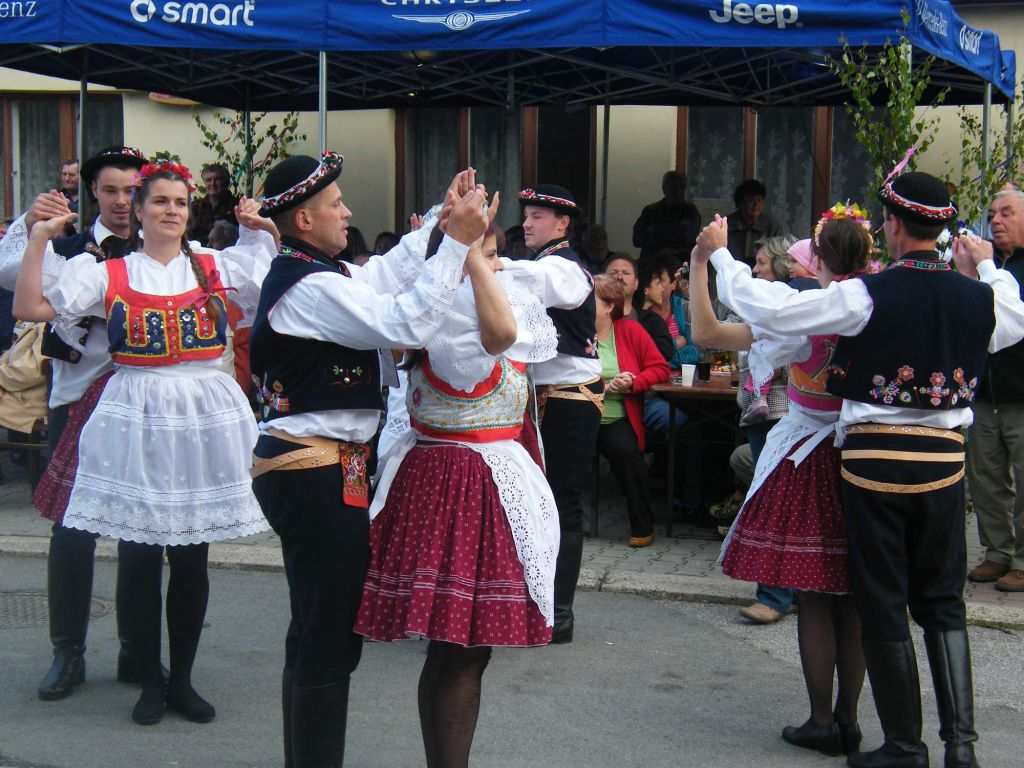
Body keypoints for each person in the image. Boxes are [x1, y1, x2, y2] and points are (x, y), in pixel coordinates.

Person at [698, 171, 1024, 768]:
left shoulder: (866, 295)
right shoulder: (979, 296)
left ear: (893, 226)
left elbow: (771, 307)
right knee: (943, 603)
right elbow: (1013, 319)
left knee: (883, 599)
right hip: (945, 463)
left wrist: (721, 257)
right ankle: (961, 748)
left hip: (874, 460)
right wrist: (985, 264)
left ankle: (904, 745)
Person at [13, 160, 279, 726]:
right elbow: (30, 307)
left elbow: (276, 288)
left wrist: (265, 230)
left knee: (191, 556)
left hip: (201, 417)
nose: (171, 211)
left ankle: (181, 680)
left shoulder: (215, 264)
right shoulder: (108, 271)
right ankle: (149, 682)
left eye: (180, 202)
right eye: (159, 201)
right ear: (138, 210)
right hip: (137, 413)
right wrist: (38, 238)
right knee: (138, 551)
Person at [249, 156, 490, 767]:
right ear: (304, 220)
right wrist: (456, 244)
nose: (347, 212)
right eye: (335, 204)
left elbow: (383, 272)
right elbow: (404, 321)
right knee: (328, 636)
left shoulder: (320, 273)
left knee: (316, 628)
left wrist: (439, 221)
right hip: (313, 467)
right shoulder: (308, 285)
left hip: (327, 463)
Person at [355, 198, 560, 768]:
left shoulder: (471, 308)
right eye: (488, 256)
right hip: (457, 489)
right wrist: (464, 251)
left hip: (484, 484)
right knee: (459, 650)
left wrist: (469, 247)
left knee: (466, 651)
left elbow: (563, 291)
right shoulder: (450, 324)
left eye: (492, 256)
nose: (497, 268)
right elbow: (500, 334)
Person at [694, 204, 874, 757]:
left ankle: (822, 720)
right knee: (856, 599)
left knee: (817, 597)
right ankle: (848, 720)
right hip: (865, 456)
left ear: (817, 260)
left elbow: (710, 331)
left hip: (811, 459)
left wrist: (706, 259)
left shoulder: (803, 311)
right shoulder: (879, 304)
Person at [0, 146, 148, 701]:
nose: (122, 201)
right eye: (111, 190)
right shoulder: (65, 247)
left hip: (143, 405)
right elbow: (9, 274)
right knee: (71, 530)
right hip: (78, 401)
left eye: (131, 191)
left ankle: (137, 649)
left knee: (141, 529)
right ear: (92, 193)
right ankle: (68, 653)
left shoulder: (162, 250)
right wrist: (31, 222)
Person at [518, 184, 602, 644]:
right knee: (539, 501)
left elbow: (525, 281)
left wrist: (478, 261)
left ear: (562, 224)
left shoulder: (562, 267)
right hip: (548, 396)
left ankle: (560, 613)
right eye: (527, 215)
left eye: (537, 216)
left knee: (561, 500)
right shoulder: (544, 262)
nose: (527, 223)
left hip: (570, 397)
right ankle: (539, 602)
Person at [966, 188, 1024, 592]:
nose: (996, 221)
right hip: (984, 394)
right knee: (986, 478)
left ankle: (1023, 560)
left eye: (1007, 212)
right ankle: (997, 552)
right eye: (992, 214)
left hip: (1021, 394)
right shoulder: (982, 265)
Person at [592, 274, 670, 546]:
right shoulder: (575, 331)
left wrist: (633, 382)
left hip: (614, 418)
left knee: (627, 453)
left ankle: (642, 526)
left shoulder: (630, 330)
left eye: (589, 300)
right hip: (578, 416)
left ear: (608, 306)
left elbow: (660, 369)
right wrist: (604, 386)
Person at [603, 254, 673, 361]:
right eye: (613, 273)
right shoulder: (591, 317)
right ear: (602, 281)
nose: (620, 277)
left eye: (626, 273)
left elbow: (666, 351)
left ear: (636, 284)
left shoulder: (652, 320)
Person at [632, 170, 702, 268]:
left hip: (680, 265)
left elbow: (687, 236)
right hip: (652, 265)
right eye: (673, 187)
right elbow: (637, 239)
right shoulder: (650, 211)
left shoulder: (690, 211)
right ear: (664, 189)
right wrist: (673, 232)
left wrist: (654, 230)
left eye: (681, 187)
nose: (677, 191)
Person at [726, 179, 788, 267]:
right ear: (740, 202)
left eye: (759, 200)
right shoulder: (727, 224)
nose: (756, 205)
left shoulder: (775, 226)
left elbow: (782, 259)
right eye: (751, 200)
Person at [187, 163, 239, 246]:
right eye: (208, 180)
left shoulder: (238, 206)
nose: (212, 183)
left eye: (217, 179)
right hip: (198, 251)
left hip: (227, 252)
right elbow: (187, 233)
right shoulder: (195, 206)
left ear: (227, 182)